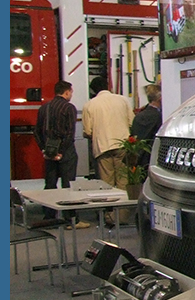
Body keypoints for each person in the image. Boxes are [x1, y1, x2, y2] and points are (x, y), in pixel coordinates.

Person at [82, 76, 135, 226]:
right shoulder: (123, 100)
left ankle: (109, 218)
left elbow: (87, 131)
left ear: (93, 90)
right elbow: (132, 122)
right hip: (123, 145)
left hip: (102, 146)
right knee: (123, 181)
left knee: (107, 183)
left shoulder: (90, 105)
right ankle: (123, 217)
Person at [33, 81, 88, 227]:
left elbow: (36, 131)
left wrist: (45, 150)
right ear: (67, 92)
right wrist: (61, 152)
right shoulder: (69, 108)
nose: (71, 94)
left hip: (49, 152)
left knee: (50, 184)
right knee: (68, 184)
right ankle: (71, 219)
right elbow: (69, 134)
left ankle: (49, 217)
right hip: (66, 152)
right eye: (71, 92)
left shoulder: (44, 108)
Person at [129, 84, 163, 170]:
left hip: (139, 160)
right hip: (153, 160)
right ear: (160, 99)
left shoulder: (139, 115)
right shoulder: (160, 117)